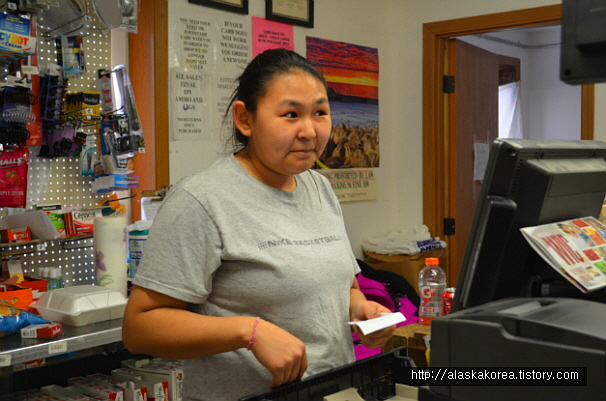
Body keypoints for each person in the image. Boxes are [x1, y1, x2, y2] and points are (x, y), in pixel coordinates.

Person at [122, 48, 396, 401]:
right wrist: (248, 332)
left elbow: (343, 285)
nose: (310, 131)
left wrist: (360, 308)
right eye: (291, 114)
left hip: (332, 390)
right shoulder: (202, 200)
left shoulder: (320, 187)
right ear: (245, 119)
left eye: (320, 113)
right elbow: (140, 327)